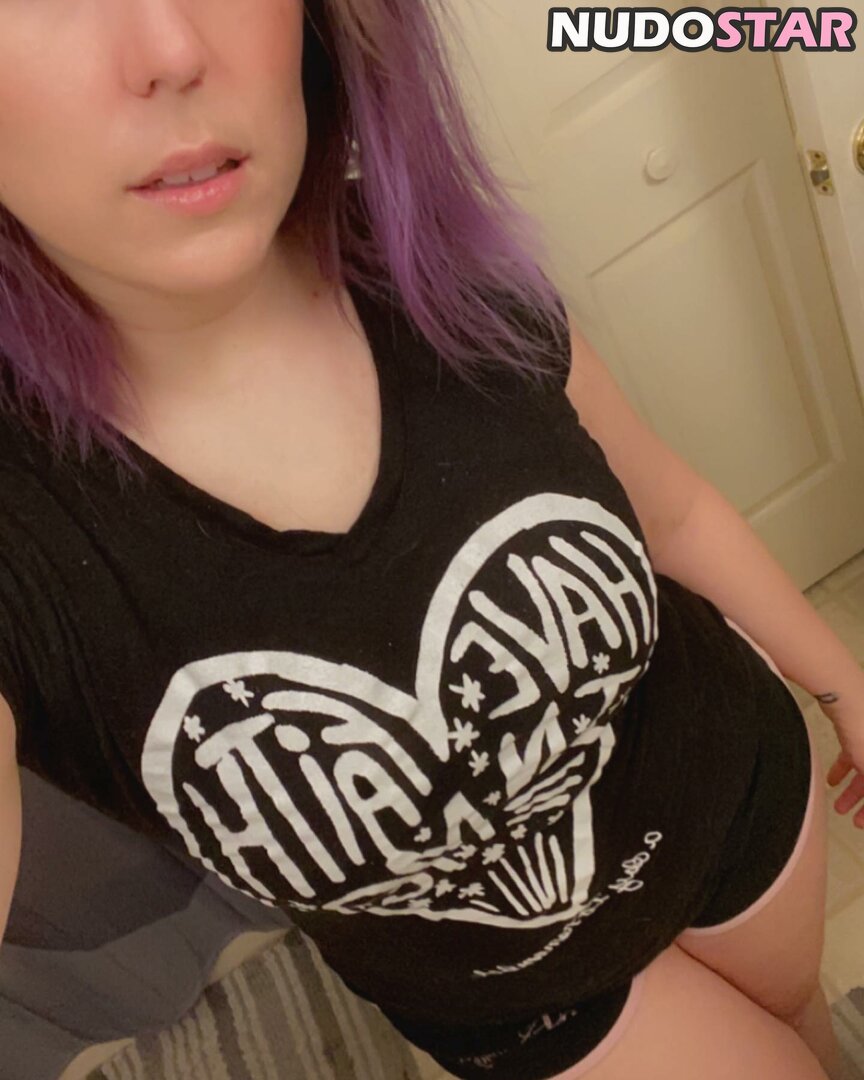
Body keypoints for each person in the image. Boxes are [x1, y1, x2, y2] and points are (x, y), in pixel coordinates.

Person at [0, 2, 861, 1079]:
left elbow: (672, 511)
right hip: (525, 999)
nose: (173, 50)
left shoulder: (439, 262)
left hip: (734, 794)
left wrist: (845, 684)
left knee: (811, 1032)